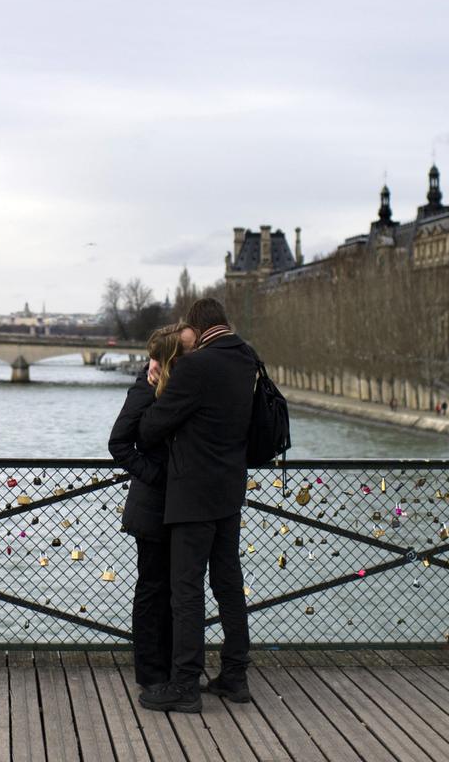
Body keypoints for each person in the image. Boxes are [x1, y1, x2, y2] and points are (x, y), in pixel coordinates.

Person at [135, 298, 256, 713]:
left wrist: (155, 384)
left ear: (198, 329)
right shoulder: (248, 358)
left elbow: (150, 429)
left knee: (185, 591)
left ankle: (185, 683)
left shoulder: (195, 366)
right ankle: (235, 675)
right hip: (230, 490)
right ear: (225, 323)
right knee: (228, 586)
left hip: (191, 496)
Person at [107, 324, 186, 689]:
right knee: (153, 589)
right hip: (153, 507)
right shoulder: (145, 389)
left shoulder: (172, 388)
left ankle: (169, 667)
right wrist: (153, 475)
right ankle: (151, 671)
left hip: (177, 505)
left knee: (172, 589)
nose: (151, 362)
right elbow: (118, 442)